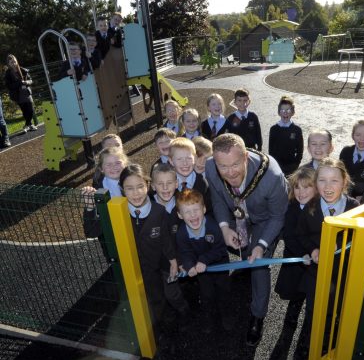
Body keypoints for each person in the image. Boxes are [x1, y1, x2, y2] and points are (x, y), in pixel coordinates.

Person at [83, 164, 189, 337]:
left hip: (153, 267)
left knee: (157, 297)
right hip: (130, 267)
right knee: (136, 301)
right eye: (129, 188)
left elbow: (165, 239)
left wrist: (173, 260)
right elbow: (91, 232)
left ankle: (162, 325)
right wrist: (89, 208)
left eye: (140, 187)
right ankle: (147, 327)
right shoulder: (118, 211)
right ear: (122, 189)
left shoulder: (158, 211)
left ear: (147, 186)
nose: (136, 193)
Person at [205, 133, 288, 345]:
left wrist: (261, 245)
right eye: (223, 166)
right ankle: (242, 260)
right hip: (237, 214)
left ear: (245, 157)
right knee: (218, 235)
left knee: (258, 262)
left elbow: (278, 216)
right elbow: (217, 198)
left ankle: (257, 316)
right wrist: (224, 228)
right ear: (215, 162)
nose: (230, 172)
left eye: (235, 164)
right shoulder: (210, 168)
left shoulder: (272, 176)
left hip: (264, 218)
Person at [296, 158, 359, 322]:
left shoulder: (355, 208)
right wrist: (312, 249)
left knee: (338, 309)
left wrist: (341, 245)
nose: (328, 186)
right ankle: (310, 340)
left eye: (334, 181)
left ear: (344, 182)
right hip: (316, 273)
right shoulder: (310, 207)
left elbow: (359, 237)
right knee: (313, 310)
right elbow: (301, 235)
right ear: (316, 183)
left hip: (343, 273)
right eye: (322, 180)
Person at [176, 188, 234, 333]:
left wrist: (203, 259)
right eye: (187, 212)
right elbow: (185, 252)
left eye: (196, 210)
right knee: (206, 294)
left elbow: (221, 250)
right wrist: (189, 265)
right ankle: (209, 316)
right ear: (180, 215)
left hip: (220, 265)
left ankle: (226, 314)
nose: (193, 215)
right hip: (202, 271)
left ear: (204, 209)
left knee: (223, 292)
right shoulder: (182, 233)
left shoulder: (213, 227)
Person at [274, 167, 316, 325]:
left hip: (314, 260)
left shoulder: (319, 208)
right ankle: (290, 319)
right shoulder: (292, 207)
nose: (301, 192)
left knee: (313, 294)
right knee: (296, 292)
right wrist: (302, 254)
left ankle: (309, 324)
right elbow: (289, 236)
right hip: (297, 259)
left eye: (307, 187)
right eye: (297, 187)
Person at [169, 137, 211, 211]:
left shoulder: (202, 183)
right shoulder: (167, 182)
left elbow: (207, 208)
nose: (185, 163)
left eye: (189, 158)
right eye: (179, 159)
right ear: (171, 161)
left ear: (194, 158)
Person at [339, 119, 364, 200]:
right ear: (353, 136)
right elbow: (339, 174)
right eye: (358, 134)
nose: (362, 138)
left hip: (362, 201)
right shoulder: (346, 151)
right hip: (342, 197)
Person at [268, 96, 304, 176]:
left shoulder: (297, 130)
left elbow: (300, 150)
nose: (285, 112)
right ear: (279, 112)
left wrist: (295, 165)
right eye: (282, 110)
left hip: (291, 167)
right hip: (277, 167)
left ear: (292, 112)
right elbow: (271, 150)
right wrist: (273, 165)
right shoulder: (274, 129)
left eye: (288, 110)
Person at [4, 54, 37, 133]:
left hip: (26, 92)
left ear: (17, 61)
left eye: (15, 61)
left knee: (31, 110)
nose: (14, 64)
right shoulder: (8, 74)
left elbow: (30, 80)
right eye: (12, 62)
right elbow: (9, 86)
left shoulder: (22, 69)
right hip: (17, 94)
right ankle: (30, 125)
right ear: (9, 64)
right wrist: (19, 83)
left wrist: (26, 82)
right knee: (25, 110)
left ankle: (26, 125)